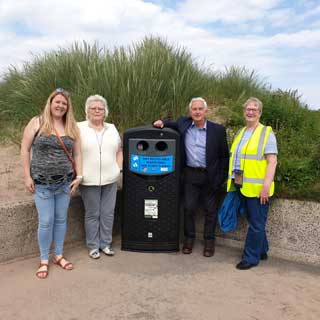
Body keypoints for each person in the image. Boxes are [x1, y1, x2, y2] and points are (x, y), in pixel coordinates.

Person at [153, 97, 229, 257]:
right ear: (190, 112)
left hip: (210, 176)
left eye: (200, 109)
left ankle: (209, 242)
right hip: (190, 175)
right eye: (194, 109)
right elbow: (170, 124)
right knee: (188, 208)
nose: (197, 112)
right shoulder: (184, 123)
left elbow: (224, 157)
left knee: (211, 211)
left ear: (206, 111)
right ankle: (189, 240)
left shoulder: (218, 130)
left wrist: (220, 178)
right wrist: (161, 122)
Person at [21, 88, 82, 279]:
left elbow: (78, 154)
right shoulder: (37, 122)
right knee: (46, 222)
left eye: (64, 103)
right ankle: (44, 259)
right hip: (42, 183)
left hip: (65, 183)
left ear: (68, 107)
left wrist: (79, 177)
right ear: (50, 103)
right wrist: (26, 176)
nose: (60, 106)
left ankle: (58, 255)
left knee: (61, 220)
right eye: (57, 102)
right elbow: (25, 148)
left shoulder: (72, 127)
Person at [227, 97, 278, 270]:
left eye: (254, 110)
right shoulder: (242, 132)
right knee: (255, 221)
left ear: (260, 113)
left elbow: (272, 161)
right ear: (244, 112)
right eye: (247, 109)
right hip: (242, 185)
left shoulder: (266, 133)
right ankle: (262, 250)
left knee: (256, 224)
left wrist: (265, 187)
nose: (250, 112)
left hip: (258, 189)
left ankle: (250, 257)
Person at [78, 95, 123, 259]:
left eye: (100, 108)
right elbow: (74, 153)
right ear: (87, 111)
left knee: (108, 213)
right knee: (92, 213)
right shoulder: (79, 127)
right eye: (93, 108)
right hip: (88, 180)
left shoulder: (111, 128)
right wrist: (78, 174)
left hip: (110, 179)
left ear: (105, 112)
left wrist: (118, 169)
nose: (97, 111)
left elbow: (119, 150)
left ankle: (105, 244)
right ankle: (93, 245)